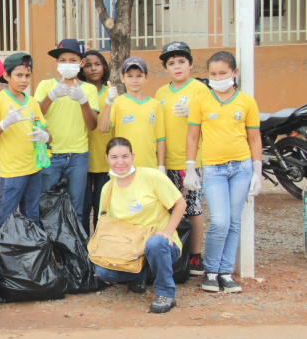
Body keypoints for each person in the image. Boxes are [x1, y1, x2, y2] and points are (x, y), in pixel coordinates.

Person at [185, 51, 262, 294]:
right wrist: (190, 168)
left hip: (241, 167)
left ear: (234, 73)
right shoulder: (201, 101)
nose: (217, 78)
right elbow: (192, 136)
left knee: (234, 221)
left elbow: (254, 137)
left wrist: (257, 170)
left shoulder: (247, 102)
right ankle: (211, 270)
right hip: (213, 169)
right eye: (213, 74)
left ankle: (226, 272)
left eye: (223, 73)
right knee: (219, 221)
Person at [95, 137, 186, 314]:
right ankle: (141, 275)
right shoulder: (108, 188)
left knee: (155, 244)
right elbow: (106, 225)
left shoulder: (152, 177)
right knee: (103, 272)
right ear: (106, 159)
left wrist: (168, 232)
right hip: (130, 250)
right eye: (114, 157)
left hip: (159, 244)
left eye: (125, 156)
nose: (120, 162)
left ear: (133, 156)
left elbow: (180, 204)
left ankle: (166, 293)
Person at [155, 41, 209, 275]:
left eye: (181, 62)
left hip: (191, 162)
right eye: (171, 63)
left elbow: (212, 120)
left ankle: (196, 256)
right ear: (166, 68)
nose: (177, 67)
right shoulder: (161, 93)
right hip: (168, 162)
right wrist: (160, 163)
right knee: (170, 210)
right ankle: (176, 255)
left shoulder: (200, 89)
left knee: (193, 209)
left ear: (190, 65)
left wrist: (195, 114)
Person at [34, 39, 99, 223]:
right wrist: (51, 96)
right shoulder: (45, 85)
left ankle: (73, 251)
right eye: (63, 60)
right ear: (57, 63)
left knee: (76, 209)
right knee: (46, 207)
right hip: (51, 154)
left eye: (72, 60)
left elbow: (92, 125)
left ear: (81, 63)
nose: (67, 64)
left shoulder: (89, 89)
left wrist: (83, 101)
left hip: (78, 156)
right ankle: (50, 250)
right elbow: (36, 115)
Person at [0, 53, 49, 230]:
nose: (24, 80)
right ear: (6, 76)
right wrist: (4, 124)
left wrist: (45, 136)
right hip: (12, 172)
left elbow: (47, 131)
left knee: (32, 217)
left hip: (33, 168)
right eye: (18, 75)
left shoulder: (33, 102)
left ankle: (31, 255)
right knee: (5, 217)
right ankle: (0, 254)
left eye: (27, 76)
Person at [98, 57, 165, 170]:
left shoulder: (155, 104)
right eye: (130, 76)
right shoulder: (117, 102)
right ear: (122, 78)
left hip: (149, 167)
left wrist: (161, 166)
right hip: (122, 167)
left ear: (146, 78)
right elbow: (103, 128)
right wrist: (108, 103)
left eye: (139, 76)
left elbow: (160, 139)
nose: (135, 80)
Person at [80, 49, 113, 235]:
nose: (93, 69)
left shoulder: (112, 94)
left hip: (106, 161)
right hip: (83, 160)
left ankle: (100, 249)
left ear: (105, 67)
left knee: (102, 212)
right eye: (88, 65)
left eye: (98, 64)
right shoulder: (78, 91)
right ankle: (83, 254)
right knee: (82, 211)